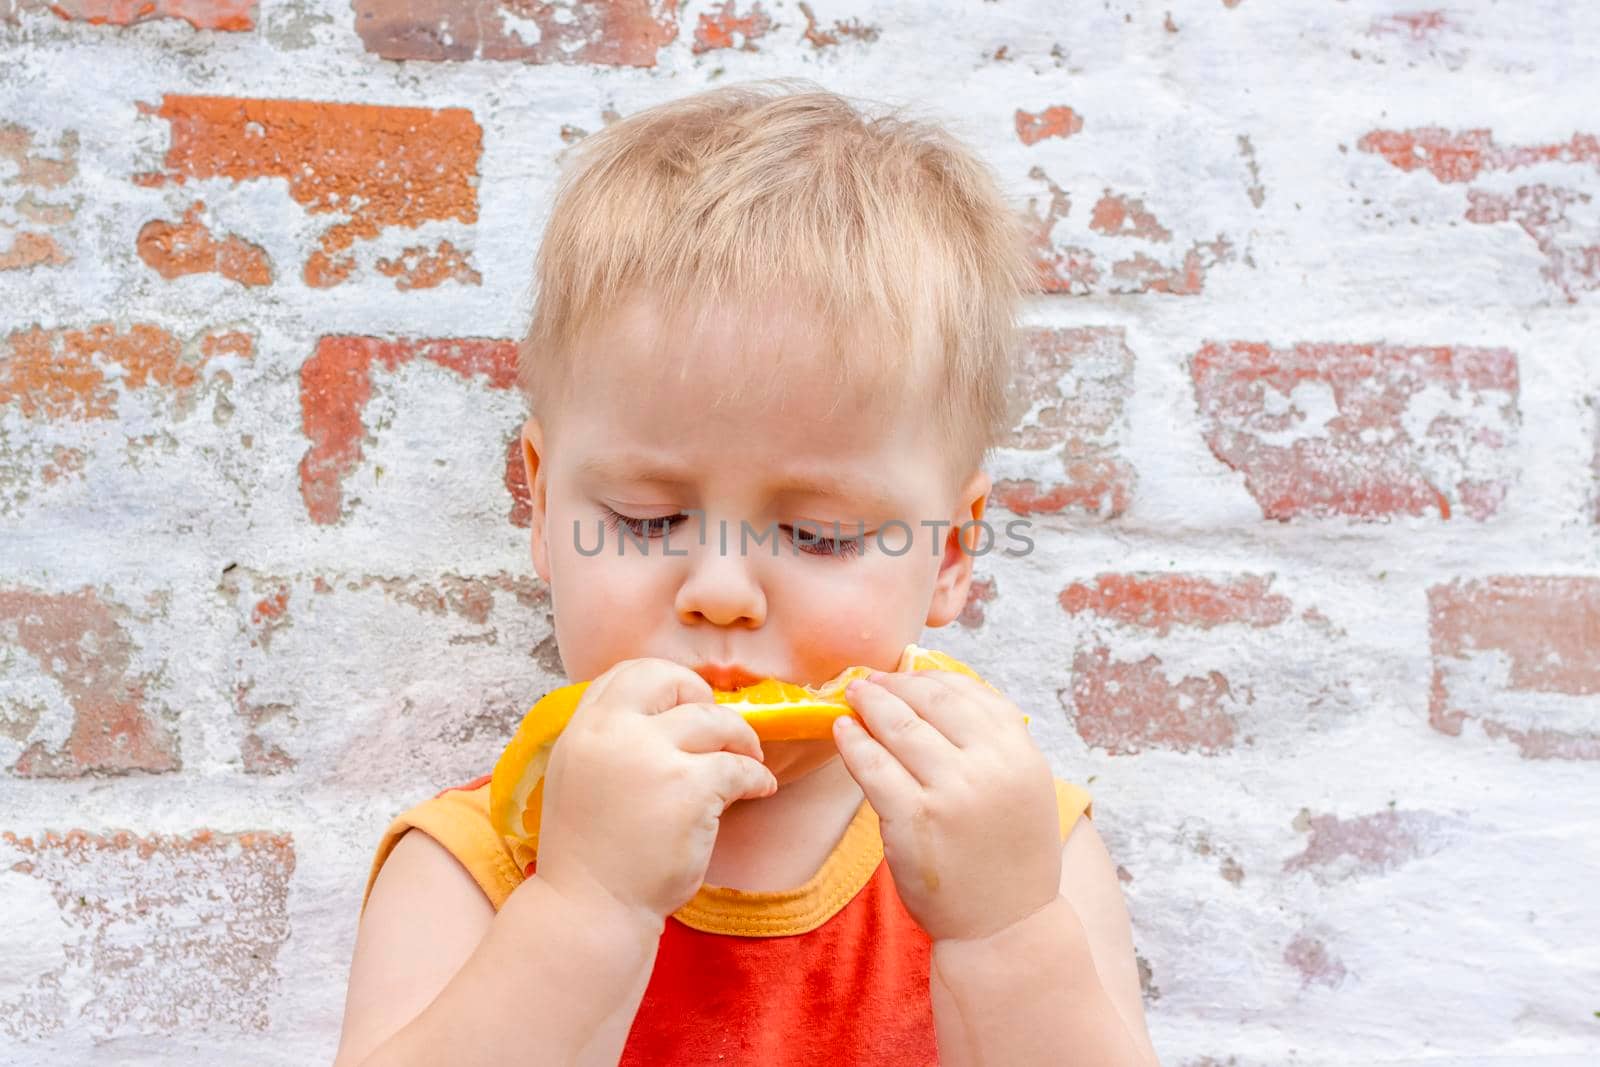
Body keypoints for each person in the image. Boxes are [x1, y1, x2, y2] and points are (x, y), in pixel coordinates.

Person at [334, 79, 1158, 1067]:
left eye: (816, 534)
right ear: (543, 505)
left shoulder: (1027, 853)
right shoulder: (472, 863)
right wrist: (587, 908)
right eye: (649, 517)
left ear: (947, 550)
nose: (720, 589)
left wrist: (1004, 934)